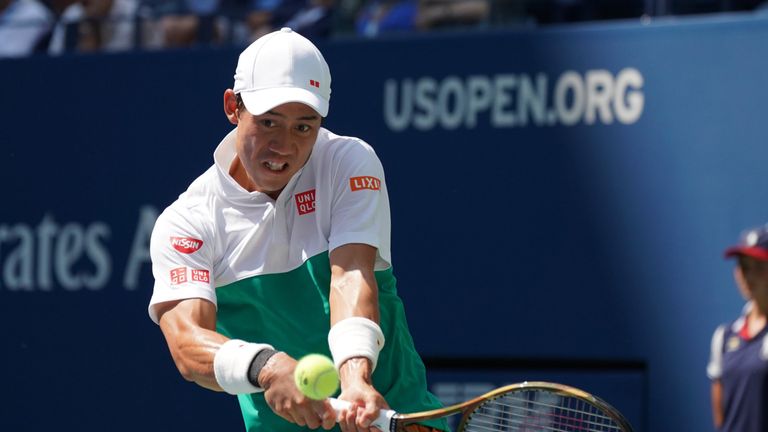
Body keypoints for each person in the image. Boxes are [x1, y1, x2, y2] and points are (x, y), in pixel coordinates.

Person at [147, 27, 448, 432]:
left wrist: (355, 379)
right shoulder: (187, 222)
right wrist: (266, 367)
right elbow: (187, 343)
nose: (284, 146)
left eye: (303, 127)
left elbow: (351, 277)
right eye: (269, 122)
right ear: (232, 107)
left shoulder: (348, 162)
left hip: (398, 418)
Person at [707, 224, 768, 431]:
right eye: (743, 266)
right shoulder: (723, 336)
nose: (748, 276)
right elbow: (721, 419)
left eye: (758, 267)